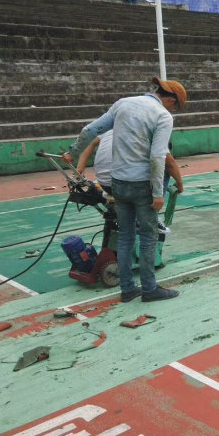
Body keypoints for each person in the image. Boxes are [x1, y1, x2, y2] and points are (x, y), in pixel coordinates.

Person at [62, 77, 186, 303]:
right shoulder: (162, 116)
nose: (173, 110)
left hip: (118, 182)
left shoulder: (123, 103)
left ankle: (127, 288)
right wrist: (158, 193)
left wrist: (73, 151)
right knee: (148, 236)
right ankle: (149, 289)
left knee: (126, 235)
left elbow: (90, 129)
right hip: (141, 185)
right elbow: (158, 157)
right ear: (170, 98)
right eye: (175, 106)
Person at [75, 129, 184, 234]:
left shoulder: (111, 125)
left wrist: (80, 166)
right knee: (163, 168)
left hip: (104, 183)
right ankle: (151, 215)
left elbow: (89, 141)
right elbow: (169, 162)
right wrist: (179, 184)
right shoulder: (144, 126)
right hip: (125, 184)